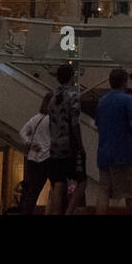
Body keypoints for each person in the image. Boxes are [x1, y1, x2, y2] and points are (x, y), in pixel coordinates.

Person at [95, 68, 132, 215]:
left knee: (104, 191)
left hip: (104, 154)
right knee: (131, 194)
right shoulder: (129, 100)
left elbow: (98, 124)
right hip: (123, 154)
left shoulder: (102, 101)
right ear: (125, 82)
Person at [45, 64, 82, 215]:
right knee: (81, 181)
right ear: (71, 77)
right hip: (69, 144)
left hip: (54, 145)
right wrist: (79, 144)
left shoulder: (52, 97)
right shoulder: (73, 96)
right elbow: (75, 122)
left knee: (58, 184)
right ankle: (69, 212)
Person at [19, 92, 52, 214]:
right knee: (57, 187)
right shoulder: (51, 120)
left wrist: (30, 143)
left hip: (33, 158)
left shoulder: (35, 118)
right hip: (47, 157)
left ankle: (26, 211)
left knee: (33, 190)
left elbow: (22, 132)